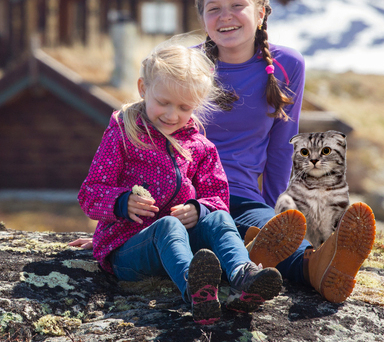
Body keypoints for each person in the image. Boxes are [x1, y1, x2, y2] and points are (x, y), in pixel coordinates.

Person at [76, 43, 299, 325]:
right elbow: (90, 194)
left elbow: (217, 196)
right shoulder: (123, 133)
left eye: (184, 107)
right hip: (127, 249)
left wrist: (199, 209)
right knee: (167, 226)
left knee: (218, 218)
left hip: (182, 246)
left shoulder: (201, 147)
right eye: (163, 102)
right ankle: (195, 289)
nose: (171, 115)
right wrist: (121, 203)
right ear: (143, 88)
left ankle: (244, 275)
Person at [194, 0, 376, 303]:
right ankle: (253, 248)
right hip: (187, 195)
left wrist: (277, 214)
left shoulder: (286, 64)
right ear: (203, 18)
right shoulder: (186, 65)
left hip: (242, 196)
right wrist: (125, 227)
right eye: (213, 9)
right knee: (211, 231)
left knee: (273, 231)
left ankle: (319, 266)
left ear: (261, 13)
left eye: (237, 5)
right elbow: (151, 140)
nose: (225, 17)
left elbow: (281, 148)